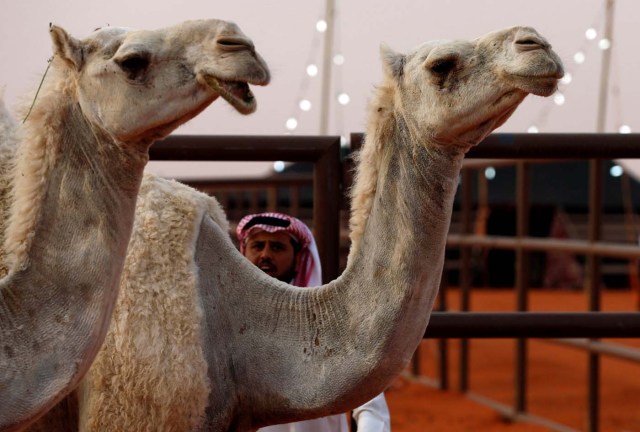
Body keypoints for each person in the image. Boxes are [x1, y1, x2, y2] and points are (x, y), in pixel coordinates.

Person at [237, 212, 391, 432]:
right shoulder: (228, 320)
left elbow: (370, 402)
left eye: (277, 247)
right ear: (243, 253)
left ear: (299, 258)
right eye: (258, 246)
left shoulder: (328, 322)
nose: (265, 254)